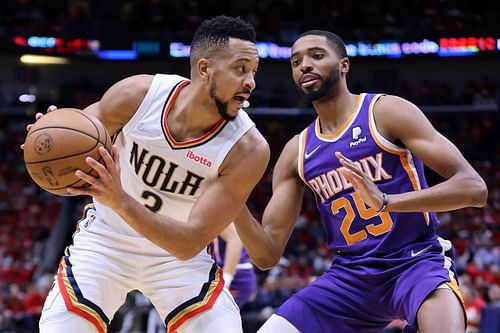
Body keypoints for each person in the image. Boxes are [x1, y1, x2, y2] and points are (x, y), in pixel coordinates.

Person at [27, 15, 270, 333]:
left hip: (178, 261)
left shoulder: (248, 149)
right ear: (205, 69)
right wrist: (47, 140)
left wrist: (120, 199)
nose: (250, 82)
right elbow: (71, 147)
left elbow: (189, 244)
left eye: (253, 72)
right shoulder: (138, 95)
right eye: (240, 69)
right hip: (106, 241)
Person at [234, 30, 488, 332]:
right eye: (296, 61)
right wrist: (231, 198)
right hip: (350, 277)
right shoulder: (296, 152)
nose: (304, 65)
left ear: (343, 65)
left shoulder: (385, 112)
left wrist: (386, 202)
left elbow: (474, 188)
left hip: (415, 262)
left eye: (316, 56)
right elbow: (266, 255)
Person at [211, 223, 257, 308]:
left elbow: (235, 238)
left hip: (236, 275)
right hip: (215, 273)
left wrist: (226, 280)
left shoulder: (213, 212)